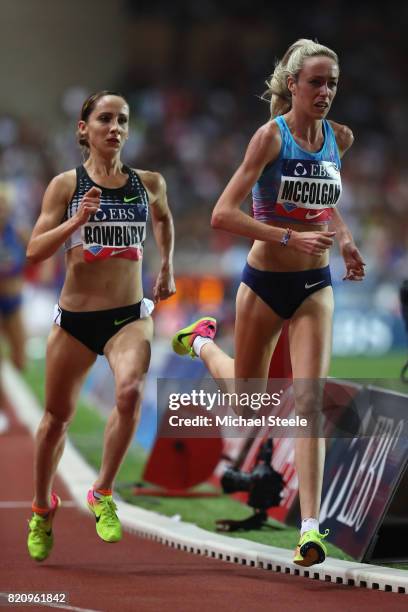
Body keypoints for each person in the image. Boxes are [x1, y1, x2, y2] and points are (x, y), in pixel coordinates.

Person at [172, 39, 365, 567]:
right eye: (316, 83)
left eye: (332, 84)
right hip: (262, 281)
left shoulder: (338, 138)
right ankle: (204, 343)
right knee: (246, 403)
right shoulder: (269, 139)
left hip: (313, 288)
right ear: (294, 85)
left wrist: (343, 237)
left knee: (308, 403)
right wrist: (287, 239)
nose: (325, 92)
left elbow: (325, 200)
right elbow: (221, 214)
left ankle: (309, 529)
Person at [26, 91, 175, 562]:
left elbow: (164, 219)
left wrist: (167, 266)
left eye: (122, 120)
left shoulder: (148, 182)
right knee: (54, 422)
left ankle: (103, 492)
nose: (114, 127)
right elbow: (35, 249)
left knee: (130, 392)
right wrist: (76, 222)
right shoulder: (65, 185)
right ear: (83, 129)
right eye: (105, 119)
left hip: (128, 316)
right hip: (74, 322)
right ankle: (41, 508)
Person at [0, 187, 28, 433]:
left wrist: (47, 268)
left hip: (14, 302)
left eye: (3, 206)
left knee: (20, 358)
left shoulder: (17, 234)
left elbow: (39, 250)